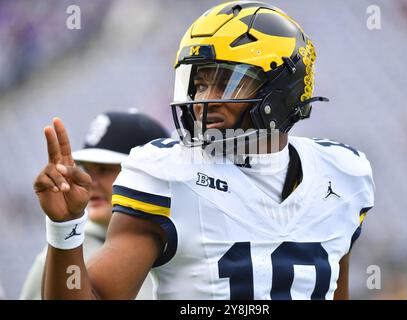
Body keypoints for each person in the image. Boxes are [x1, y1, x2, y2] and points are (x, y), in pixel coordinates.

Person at [34, 1, 374, 300]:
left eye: (224, 82)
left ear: (280, 89)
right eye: (199, 84)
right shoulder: (165, 175)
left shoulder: (342, 175)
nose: (201, 101)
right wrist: (64, 228)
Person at [23, 111, 168, 300]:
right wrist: (65, 227)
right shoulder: (59, 260)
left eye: (105, 169)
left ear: (152, 174)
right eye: (86, 169)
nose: (89, 181)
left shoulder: (193, 237)